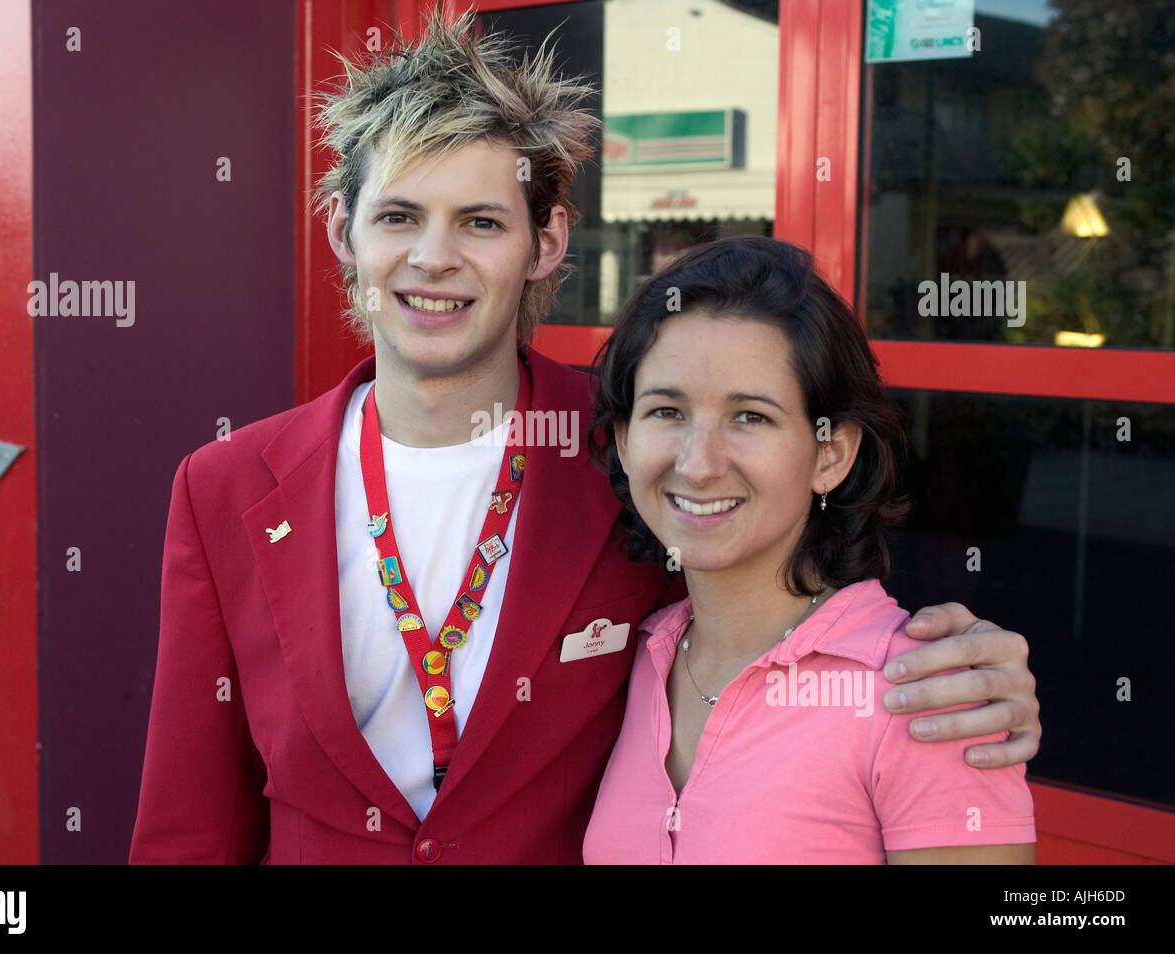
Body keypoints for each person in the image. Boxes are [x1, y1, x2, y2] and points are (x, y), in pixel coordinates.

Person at [129, 4, 1041, 865]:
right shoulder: (226, 485)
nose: (433, 257)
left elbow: (790, 596)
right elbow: (189, 826)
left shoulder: (635, 456)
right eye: (399, 216)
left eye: (480, 221)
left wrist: (964, 670)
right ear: (343, 231)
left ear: (549, 241)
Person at [583, 237, 1036, 863]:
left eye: (751, 417)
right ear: (626, 441)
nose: (698, 463)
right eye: (667, 411)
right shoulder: (633, 658)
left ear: (832, 453)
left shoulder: (925, 694)